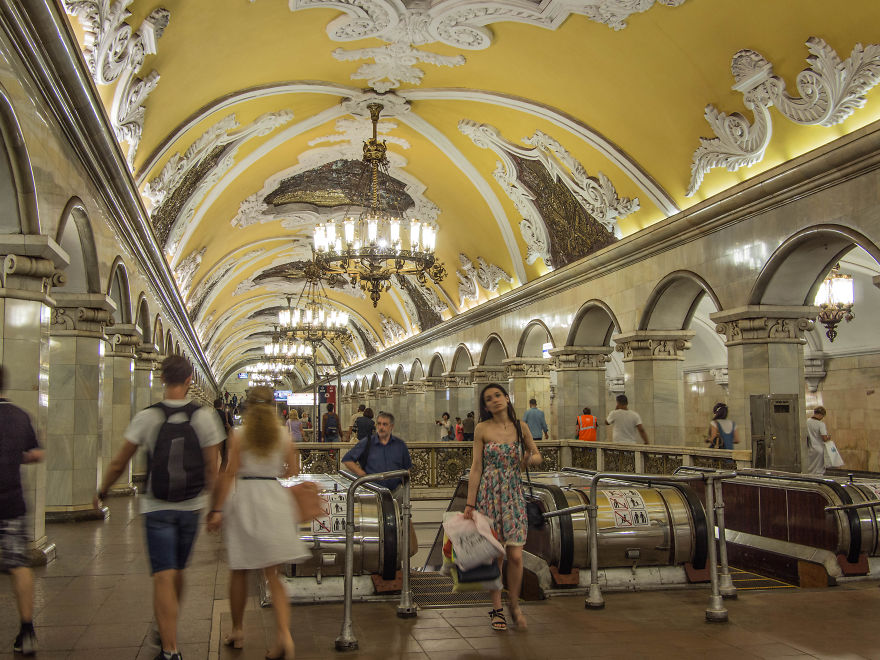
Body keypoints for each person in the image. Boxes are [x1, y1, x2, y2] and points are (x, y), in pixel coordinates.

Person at [95, 355, 223, 660]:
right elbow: (212, 468)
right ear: (191, 379)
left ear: (163, 379)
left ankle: (170, 648)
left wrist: (102, 489)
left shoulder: (147, 416)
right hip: (191, 505)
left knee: (163, 575)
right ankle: (169, 628)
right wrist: (215, 508)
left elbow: (119, 461)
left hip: (156, 506)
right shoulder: (204, 417)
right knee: (177, 572)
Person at [206, 387, 309, 660]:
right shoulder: (283, 436)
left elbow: (229, 472)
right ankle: (284, 635)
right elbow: (293, 470)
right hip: (274, 498)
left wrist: (217, 509)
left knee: (239, 569)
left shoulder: (238, 435)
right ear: (274, 406)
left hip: (245, 500)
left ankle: (238, 631)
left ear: (248, 407)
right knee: (273, 575)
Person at [464, 383, 541, 632]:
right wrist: (470, 504)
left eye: (498, 395)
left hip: (513, 494)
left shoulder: (522, 427)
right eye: (489, 398)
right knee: (496, 556)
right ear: (485, 406)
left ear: (507, 398)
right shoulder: (482, 429)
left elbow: (537, 455)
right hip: (489, 495)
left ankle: (515, 604)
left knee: (516, 556)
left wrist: (528, 459)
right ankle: (497, 608)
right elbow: (476, 467)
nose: (495, 400)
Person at [0, 365, 44, 656]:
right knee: (19, 564)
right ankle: (27, 628)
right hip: (11, 502)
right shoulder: (18, 416)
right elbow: (37, 453)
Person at [342, 412, 412, 493]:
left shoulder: (400, 445)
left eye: (385, 424)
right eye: (379, 424)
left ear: (391, 426)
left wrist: (405, 489)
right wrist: (362, 475)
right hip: (372, 491)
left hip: (396, 491)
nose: (381, 427)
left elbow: (407, 469)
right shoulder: (366, 443)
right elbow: (347, 460)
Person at [805, 406, 832, 475]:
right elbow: (824, 439)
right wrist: (829, 437)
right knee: (819, 470)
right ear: (820, 414)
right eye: (823, 416)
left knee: (810, 469)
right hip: (819, 449)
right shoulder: (821, 424)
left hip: (809, 448)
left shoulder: (807, 422)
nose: (822, 418)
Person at [214, 397, 232, 467]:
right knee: (225, 460)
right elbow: (231, 426)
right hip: (223, 438)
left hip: (213, 439)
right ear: (222, 405)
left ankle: (213, 475)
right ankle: (221, 474)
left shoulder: (210, 415)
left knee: (213, 459)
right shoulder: (226, 414)